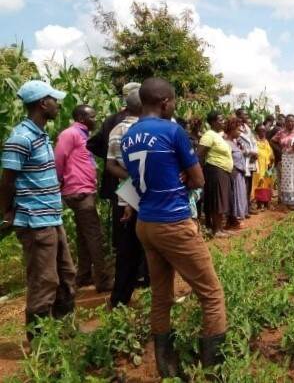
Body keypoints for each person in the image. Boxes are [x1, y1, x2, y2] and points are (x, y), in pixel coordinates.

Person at [121, 78, 227, 377]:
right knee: (212, 294)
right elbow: (198, 180)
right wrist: (183, 175)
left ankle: (168, 370)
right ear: (165, 102)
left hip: (146, 222)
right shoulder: (171, 130)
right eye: (174, 101)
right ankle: (213, 371)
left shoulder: (130, 135)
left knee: (161, 295)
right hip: (173, 221)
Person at [0, 80, 76, 341]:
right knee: (44, 282)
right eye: (54, 99)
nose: (58, 104)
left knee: (66, 276)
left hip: (51, 217)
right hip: (34, 221)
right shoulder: (20, 138)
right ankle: (42, 346)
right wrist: (7, 212)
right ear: (43, 103)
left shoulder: (41, 135)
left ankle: (64, 334)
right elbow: (7, 180)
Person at [54, 104, 112, 293]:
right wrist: (60, 184)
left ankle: (84, 276)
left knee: (83, 235)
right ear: (81, 118)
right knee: (94, 235)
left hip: (84, 190)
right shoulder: (70, 134)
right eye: (92, 116)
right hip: (78, 192)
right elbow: (58, 160)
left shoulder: (83, 135)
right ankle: (102, 280)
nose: (95, 119)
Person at [105, 90, 149, 307]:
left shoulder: (116, 130)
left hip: (128, 193)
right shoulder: (147, 129)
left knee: (128, 248)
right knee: (145, 245)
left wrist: (131, 178)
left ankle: (120, 299)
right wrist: (139, 178)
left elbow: (111, 165)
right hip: (147, 194)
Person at [87, 82, 141, 200]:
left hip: (115, 179)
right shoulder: (143, 120)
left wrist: (111, 155)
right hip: (140, 182)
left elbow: (92, 144)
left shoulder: (111, 120)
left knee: (120, 216)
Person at [198, 111, 233, 238]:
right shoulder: (209, 135)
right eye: (220, 119)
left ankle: (220, 228)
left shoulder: (218, 135)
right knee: (217, 200)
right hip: (215, 171)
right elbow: (200, 154)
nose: (223, 121)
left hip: (222, 171)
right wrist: (200, 173)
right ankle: (216, 230)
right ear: (213, 122)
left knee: (221, 200)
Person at [271, 115, 294, 210]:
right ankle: (289, 202)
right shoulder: (281, 132)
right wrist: (279, 150)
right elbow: (272, 141)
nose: (290, 123)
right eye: (288, 121)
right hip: (286, 158)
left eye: (292, 121)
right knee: (288, 180)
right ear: (285, 123)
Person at [225, 118, 249, 229]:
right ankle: (231, 220)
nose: (240, 132)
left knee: (238, 196)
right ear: (232, 129)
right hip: (233, 173)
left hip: (239, 173)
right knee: (234, 196)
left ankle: (233, 220)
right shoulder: (226, 143)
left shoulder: (235, 142)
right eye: (238, 130)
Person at [236, 108, 259, 215]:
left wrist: (255, 152)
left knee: (249, 184)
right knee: (243, 185)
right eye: (244, 114)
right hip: (242, 160)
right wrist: (250, 152)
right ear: (238, 116)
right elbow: (237, 146)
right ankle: (242, 209)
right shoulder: (236, 128)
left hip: (251, 161)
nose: (246, 116)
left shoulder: (247, 128)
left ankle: (248, 207)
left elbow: (254, 141)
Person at [252, 124, 275, 210]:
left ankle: (267, 202)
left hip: (267, 166)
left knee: (267, 184)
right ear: (257, 132)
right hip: (258, 166)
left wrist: (271, 161)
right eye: (261, 131)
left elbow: (270, 153)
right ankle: (259, 203)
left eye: (264, 130)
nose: (263, 132)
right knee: (259, 183)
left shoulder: (266, 142)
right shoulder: (255, 142)